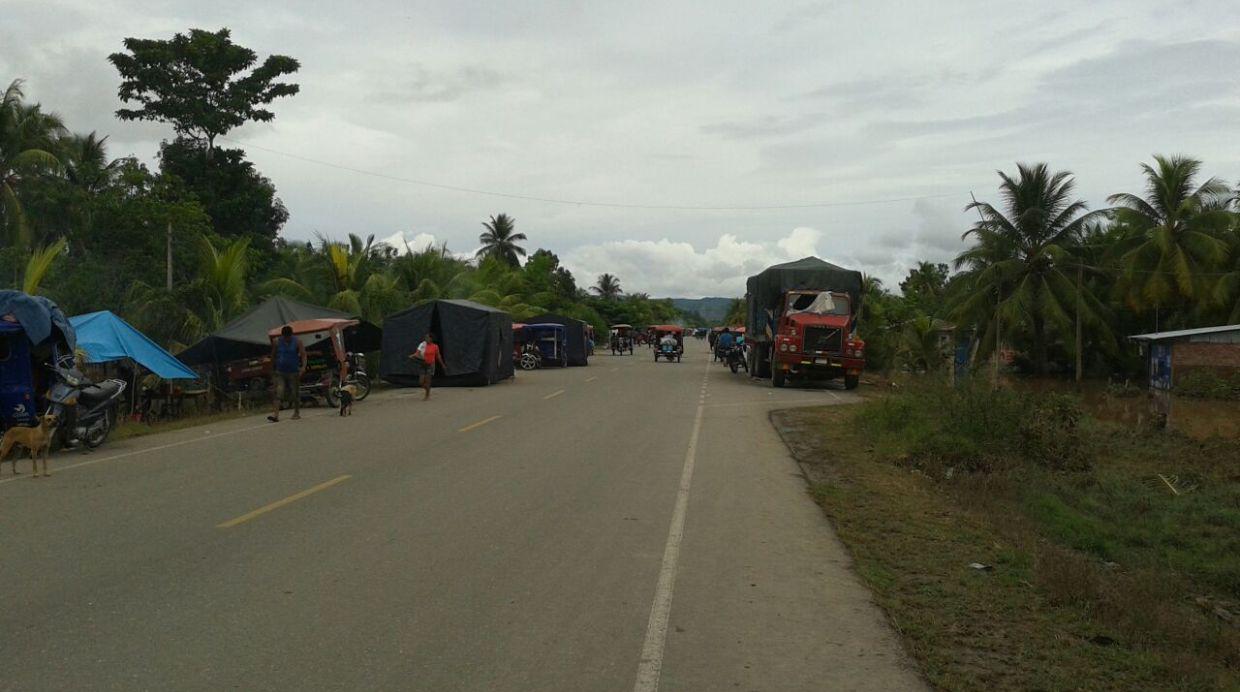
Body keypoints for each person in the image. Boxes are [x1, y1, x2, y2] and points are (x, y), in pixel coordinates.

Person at [268, 325, 307, 423]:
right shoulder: (277, 342)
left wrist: (303, 367)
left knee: (295, 392)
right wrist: (271, 370)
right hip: (280, 372)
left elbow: (303, 354)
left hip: (293, 372)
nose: (287, 339)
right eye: (285, 337)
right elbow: (273, 356)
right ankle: (275, 415)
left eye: (288, 337)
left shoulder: (297, 342)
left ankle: (296, 412)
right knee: (278, 391)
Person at [411, 332, 447, 400]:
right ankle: (427, 389)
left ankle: (427, 395)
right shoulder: (422, 345)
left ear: (431, 339)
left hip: (430, 365)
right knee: (421, 382)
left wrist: (442, 365)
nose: (426, 339)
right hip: (423, 364)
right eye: (425, 337)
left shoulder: (435, 346)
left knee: (428, 381)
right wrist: (413, 356)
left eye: (427, 337)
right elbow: (417, 353)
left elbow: (438, 356)